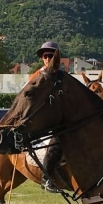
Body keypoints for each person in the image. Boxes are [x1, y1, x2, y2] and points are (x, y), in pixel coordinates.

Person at [35, 41, 66, 191]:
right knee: (57, 141)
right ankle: (46, 179)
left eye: (51, 55)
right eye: (45, 56)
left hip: (59, 119)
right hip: (41, 120)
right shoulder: (37, 77)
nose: (48, 58)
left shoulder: (62, 76)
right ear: (42, 58)